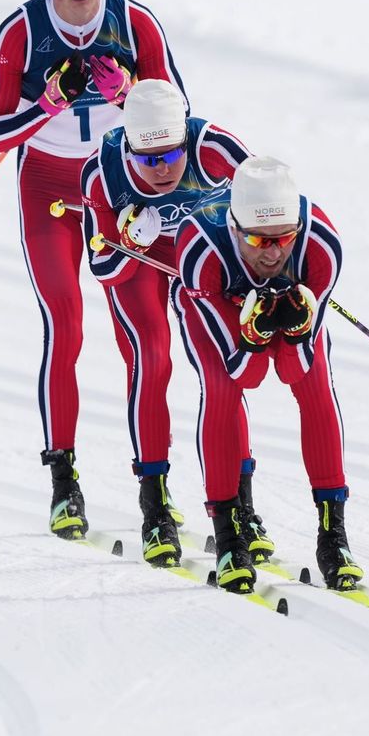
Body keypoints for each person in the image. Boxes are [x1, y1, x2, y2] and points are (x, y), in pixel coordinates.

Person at [0, 0, 188, 539]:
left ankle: (156, 490)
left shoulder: (134, 20)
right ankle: (63, 480)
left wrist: (128, 95)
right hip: (48, 187)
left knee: (146, 338)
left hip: (117, 188)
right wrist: (48, 103)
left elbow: (178, 117)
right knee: (65, 324)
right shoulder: (21, 29)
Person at [172, 156, 365, 593]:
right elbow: (248, 374)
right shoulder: (200, 247)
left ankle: (333, 537)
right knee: (222, 390)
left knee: (314, 386)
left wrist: (297, 328)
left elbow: (296, 366)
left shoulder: (321, 245)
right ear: (236, 230)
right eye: (259, 240)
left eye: (284, 239)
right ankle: (228, 534)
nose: (274, 252)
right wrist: (254, 334)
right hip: (217, 304)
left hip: (283, 304)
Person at [80, 79, 249, 564]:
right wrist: (131, 240)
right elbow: (103, 267)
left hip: (203, 261)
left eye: (171, 155)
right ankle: (154, 507)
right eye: (147, 159)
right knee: (152, 359)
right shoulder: (104, 174)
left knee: (225, 372)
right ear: (129, 147)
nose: (162, 169)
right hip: (142, 266)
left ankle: (243, 507)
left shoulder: (214, 147)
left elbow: (268, 212)